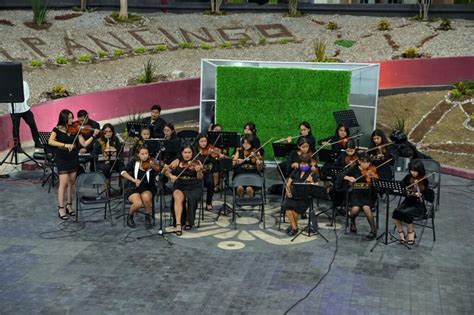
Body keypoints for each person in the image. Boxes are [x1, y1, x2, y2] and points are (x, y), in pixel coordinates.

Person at [48, 109, 99, 220]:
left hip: (73, 157)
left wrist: (93, 136)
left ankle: (69, 206)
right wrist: (65, 145)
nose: (73, 120)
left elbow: (83, 143)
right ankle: (61, 208)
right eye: (70, 117)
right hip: (62, 158)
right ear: (64, 118)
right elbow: (50, 141)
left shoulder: (75, 129)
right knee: (63, 183)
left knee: (72, 183)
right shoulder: (56, 129)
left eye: (72, 117)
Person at [164, 145, 204, 235]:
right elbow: (166, 171)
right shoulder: (177, 161)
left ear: (192, 153)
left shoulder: (197, 162)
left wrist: (199, 171)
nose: (187, 155)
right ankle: (178, 224)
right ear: (181, 153)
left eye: (189, 152)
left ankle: (188, 220)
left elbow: (200, 178)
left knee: (190, 198)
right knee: (177, 195)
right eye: (185, 152)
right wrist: (171, 176)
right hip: (180, 185)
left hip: (194, 186)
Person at [392, 159, 432, 245]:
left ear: (420, 170)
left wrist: (420, 194)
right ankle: (401, 233)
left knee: (407, 214)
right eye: (411, 170)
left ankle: (411, 233)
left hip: (419, 205)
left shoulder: (424, 180)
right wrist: (407, 190)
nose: (413, 173)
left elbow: (428, 195)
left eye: (415, 171)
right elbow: (401, 188)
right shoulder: (408, 178)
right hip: (407, 202)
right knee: (396, 212)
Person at [343, 152, 379, 240]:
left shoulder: (372, 169)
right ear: (359, 161)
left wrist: (373, 178)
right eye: (364, 162)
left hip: (368, 194)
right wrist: (348, 178)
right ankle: (352, 222)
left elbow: (376, 185)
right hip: (356, 193)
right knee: (355, 210)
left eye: (368, 162)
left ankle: (373, 230)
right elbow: (341, 175)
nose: (366, 164)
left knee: (366, 208)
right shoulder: (354, 169)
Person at [120, 145, 158, 229]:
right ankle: (130, 215)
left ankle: (147, 216)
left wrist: (156, 170)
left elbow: (157, 175)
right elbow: (122, 172)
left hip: (148, 187)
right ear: (138, 154)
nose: (145, 156)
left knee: (146, 197)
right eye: (142, 154)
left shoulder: (151, 163)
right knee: (138, 203)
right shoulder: (134, 162)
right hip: (134, 187)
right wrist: (134, 180)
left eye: (146, 153)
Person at [282, 154, 319, 236]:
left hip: (304, 197)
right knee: (287, 208)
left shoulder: (312, 173)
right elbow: (288, 184)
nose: (303, 165)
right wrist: (288, 191)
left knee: (295, 212)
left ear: (309, 164)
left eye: (305, 164)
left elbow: (316, 186)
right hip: (293, 195)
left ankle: (293, 227)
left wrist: (311, 182)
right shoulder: (296, 171)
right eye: (302, 164)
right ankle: (295, 227)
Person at [7, 81, 42, 149]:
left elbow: (26, 94)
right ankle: (17, 146)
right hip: (14, 110)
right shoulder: (9, 84)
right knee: (16, 129)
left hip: (25, 109)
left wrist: (21, 100)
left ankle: (37, 142)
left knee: (32, 124)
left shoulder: (24, 83)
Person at [195, 133, 224, 211]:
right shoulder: (194, 149)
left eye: (205, 141)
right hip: (195, 172)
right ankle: (194, 201)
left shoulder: (210, 149)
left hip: (207, 171)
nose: (204, 143)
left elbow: (213, 161)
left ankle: (208, 203)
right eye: (202, 141)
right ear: (198, 142)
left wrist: (217, 155)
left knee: (210, 183)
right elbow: (194, 160)